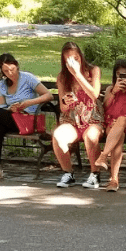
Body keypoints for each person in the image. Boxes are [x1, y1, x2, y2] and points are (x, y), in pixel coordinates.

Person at [50, 42, 102, 189]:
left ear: (81, 57)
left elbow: (94, 95)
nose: (73, 62)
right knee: (58, 136)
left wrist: (77, 74)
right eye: (68, 59)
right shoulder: (62, 77)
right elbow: (62, 107)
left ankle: (95, 174)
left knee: (91, 137)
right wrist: (66, 101)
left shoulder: (93, 71)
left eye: (76, 58)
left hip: (92, 118)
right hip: (71, 119)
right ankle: (68, 173)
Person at [92, 59, 126, 192]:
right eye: (118, 74)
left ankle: (103, 156)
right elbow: (104, 108)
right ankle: (114, 180)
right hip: (112, 123)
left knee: (121, 120)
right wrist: (114, 92)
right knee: (118, 135)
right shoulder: (111, 89)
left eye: (125, 74)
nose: (121, 77)